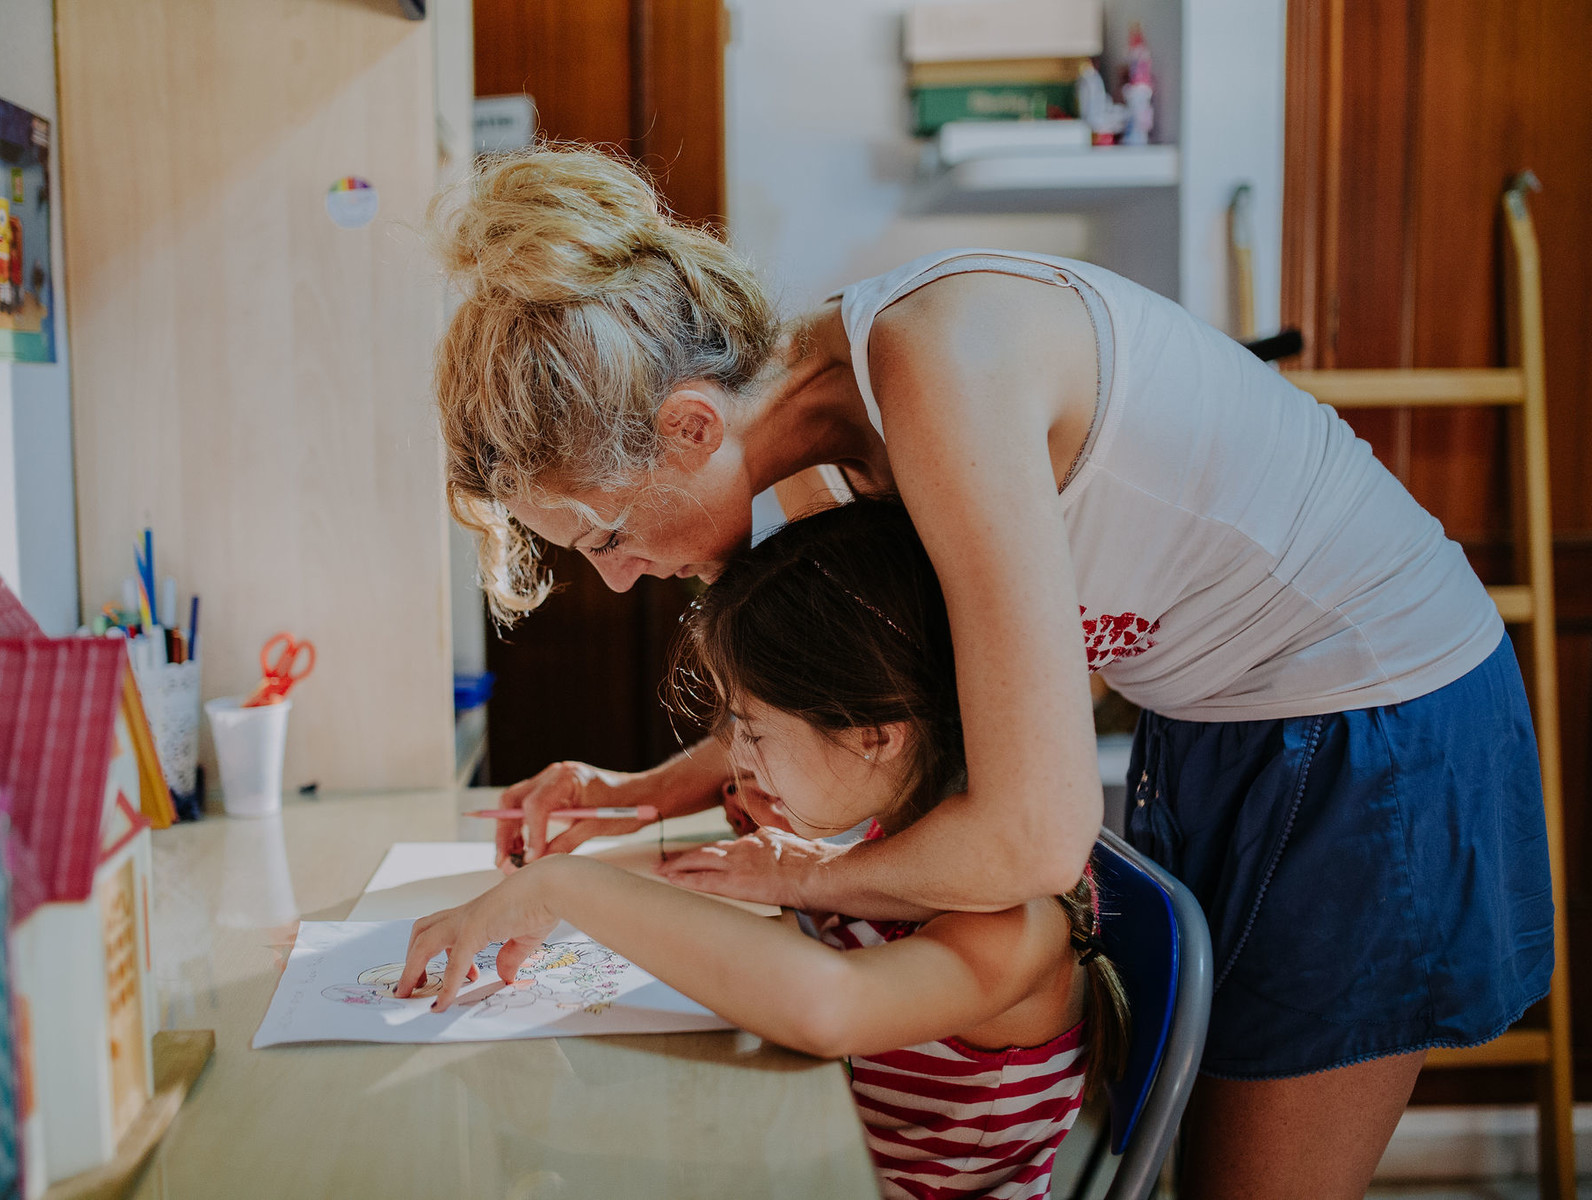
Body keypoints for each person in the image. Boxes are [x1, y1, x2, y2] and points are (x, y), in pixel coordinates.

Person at [428, 146, 1552, 1198]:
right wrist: (649, 790)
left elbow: (1030, 839)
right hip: (1219, 713)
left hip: (1372, 711)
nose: (620, 578)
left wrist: (794, 881)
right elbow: (864, 701)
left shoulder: (936, 372)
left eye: (604, 536)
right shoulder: (821, 433)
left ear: (685, 428)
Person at [402, 500, 1129, 1200]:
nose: (738, 763)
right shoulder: (894, 849)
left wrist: (561, 888)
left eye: (752, 731)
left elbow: (830, 1007)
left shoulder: (1017, 925)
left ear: (874, 734)